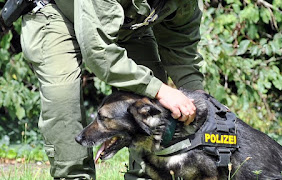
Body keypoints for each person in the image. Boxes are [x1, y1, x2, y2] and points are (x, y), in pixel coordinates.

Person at [20, 0, 204, 179]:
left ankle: (145, 175)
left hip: (127, 26)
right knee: (63, 98)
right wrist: (160, 90)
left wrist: (203, 106)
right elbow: (100, 54)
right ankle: (74, 175)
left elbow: (182, 50)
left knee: (152, 106)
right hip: (58, 14)